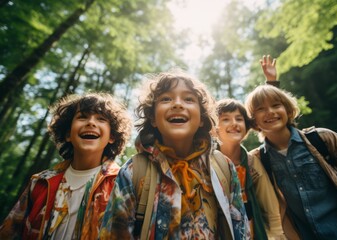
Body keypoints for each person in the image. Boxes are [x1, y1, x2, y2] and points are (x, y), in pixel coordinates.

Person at [99, 69, 250, 239]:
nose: (177, 104)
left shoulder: (224, 167)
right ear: (153, 119)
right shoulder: (134, 171)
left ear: (201, 119)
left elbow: (240, 231)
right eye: (166, 99)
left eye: (188, 99)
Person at [0, 92, 132, 239]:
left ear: (112, 137)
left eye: (101, 119)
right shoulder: (40, 182)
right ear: (68, 134)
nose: (91, 123)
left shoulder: (123, 185)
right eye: (82, 117)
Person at [245, 83, 337, 239]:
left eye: (276, 105)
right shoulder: (258, 161)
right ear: (253, 120)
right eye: (260, 109)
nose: (270, 112)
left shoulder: (322, 139)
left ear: (287, 109)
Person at [214, 55, 285, 240]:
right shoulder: (206, 162)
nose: (234, 124)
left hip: (252, 231)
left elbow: (271, 210)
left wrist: (271, 83)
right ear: (214, 129)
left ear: (247, 126)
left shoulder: (253, 163)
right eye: (226, 119)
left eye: (239, 119)